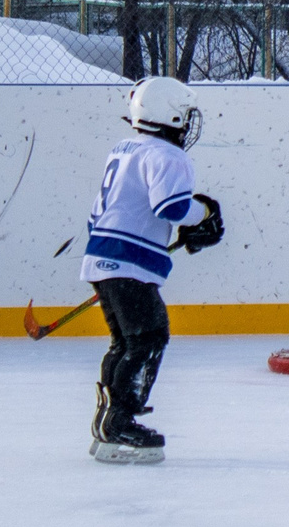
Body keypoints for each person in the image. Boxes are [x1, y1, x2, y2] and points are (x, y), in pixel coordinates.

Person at [80, 76, 224, 464]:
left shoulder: (124, 147)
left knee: (126, 343)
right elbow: (172, 208)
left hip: (101, 256)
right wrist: (205, 213)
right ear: (170, 114)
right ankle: (121, 422)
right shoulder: (168, 155)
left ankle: (108, 418)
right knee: (148, 338)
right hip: (128, 261)